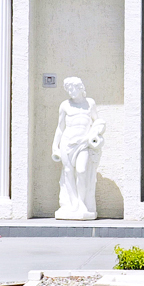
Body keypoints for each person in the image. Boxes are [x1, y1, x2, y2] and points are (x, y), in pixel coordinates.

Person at [51, 76, 106, 220]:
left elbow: (97, 122)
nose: (70, 91)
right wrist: (54, 146)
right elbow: (60, 128)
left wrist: (95, 133)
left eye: (73, 88)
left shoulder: (90, 104)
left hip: (83, 144)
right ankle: (73, 203)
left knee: (81, 171)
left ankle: (82, 203)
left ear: (80, 88)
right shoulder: (65, 105)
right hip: (67, 143)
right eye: (68, 89)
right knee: (68, 172)